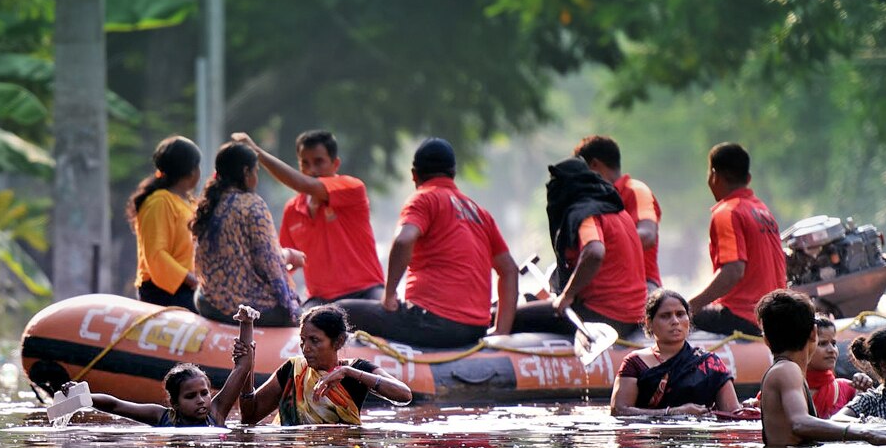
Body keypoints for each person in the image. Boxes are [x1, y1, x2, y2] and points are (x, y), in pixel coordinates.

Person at [336, 138, 519, 348]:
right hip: (474, 329)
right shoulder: (479, 212)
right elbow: (509, 270)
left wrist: (389, 295)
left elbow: (404, 239)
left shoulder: (423, 199)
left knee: (339, 310)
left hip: (432, 324)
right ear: (453, 173)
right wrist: (501, 331)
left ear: (414, 175)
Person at [231, 131, 384, 307]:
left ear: (335, 164)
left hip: (367, 291)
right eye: (305, 163)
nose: (311, 170)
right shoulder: (292, 209)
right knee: (299, 323)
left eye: (319, 162)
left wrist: (257, 152)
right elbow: (284, 263)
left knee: (389, 311)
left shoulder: (352, 188)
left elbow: (304, 184)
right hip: (320, 301)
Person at [756, 289, 886, 447]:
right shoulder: (787, 370)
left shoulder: (783, 370)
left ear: (766, 339)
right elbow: (800, 423)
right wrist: (866, 433)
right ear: (814, 333)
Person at [58, 306, 257, 427]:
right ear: (174, 403)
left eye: (204, 393)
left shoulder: (217, 411)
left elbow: (242, 367)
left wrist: (246, 324)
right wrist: (81, 396)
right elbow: (115, 405)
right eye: (190, 396)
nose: (201, 400)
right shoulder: (162, 417)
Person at [512, 156, 646, 337]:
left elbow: (594, 252)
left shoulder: (587, 213)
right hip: (633, 318)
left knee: (507, 316)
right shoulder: (619, 212)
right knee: (531, 301)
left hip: (602, 316)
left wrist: (567, 296)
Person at [237, 304, 412, 425]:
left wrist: (349, 372)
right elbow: (249, 417)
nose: (306, 348)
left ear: (338, 342)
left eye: (315, 340)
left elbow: (404, 395)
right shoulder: (292, 370)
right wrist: (247, 367)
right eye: (303, 340)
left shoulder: (356, 371)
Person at [191, 142, 300, 326]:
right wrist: (292, 307)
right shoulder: (252, 205)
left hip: (207, 302)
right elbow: (269, 263)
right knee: (298, 313)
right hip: (243, 309)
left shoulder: (208, 203)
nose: (256, 178)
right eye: (255, 171)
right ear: (246, 172)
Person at [689, 143, 786, 336]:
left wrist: (691, 306)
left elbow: (733, 270)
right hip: (775, 316)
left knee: (671, 315)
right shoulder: (762, 210)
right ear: (748, 179)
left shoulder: (726, 212)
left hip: (744, 317)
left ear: (714, 176)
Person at [610, 289, 741, 416]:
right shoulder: (635, 363)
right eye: (665, 316)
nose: (675, 321)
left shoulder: (709, 364)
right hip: (649, 436)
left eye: (680, 314)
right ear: (649, 323)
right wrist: (673, 412)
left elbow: (733, 414)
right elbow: (619, 411)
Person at [574, 135, 662, 291]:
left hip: (643, 283)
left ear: (594, 165)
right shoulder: (593, 201)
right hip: (604, 284)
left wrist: (596, 247)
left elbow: (648, 235)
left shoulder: (635, 190)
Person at [126, 135, 201, 311]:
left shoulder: (189, 202)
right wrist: (191, 280)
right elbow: (156, 255)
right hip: (164, 290)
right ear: (191, 171)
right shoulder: (159, 202)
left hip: (188, 287)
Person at [743, 317, 872, 418]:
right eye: (822, 344)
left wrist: (862, 393)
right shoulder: (779, 388)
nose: (832, 350)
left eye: (834, 343)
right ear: (805, 346)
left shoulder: (848, 389)